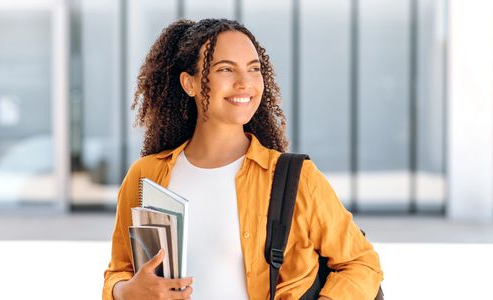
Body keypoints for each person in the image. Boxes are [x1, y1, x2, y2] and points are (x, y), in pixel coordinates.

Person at [103, 18, 383, 300]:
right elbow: (120, 269)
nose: (244, 83)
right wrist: (125, 291)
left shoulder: (296, 178)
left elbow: (360, 263)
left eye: (254, 69)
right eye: (225, 69)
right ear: (190, 83)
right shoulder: (145, 176)